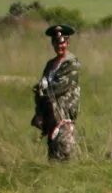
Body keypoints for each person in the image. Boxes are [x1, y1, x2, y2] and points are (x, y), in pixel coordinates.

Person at [32, 22, 80, 161]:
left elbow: (57, 88)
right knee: (52, 157)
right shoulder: (50, 64)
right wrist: (39, 113)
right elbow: (40, 91)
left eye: (62, 43)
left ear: (68, 42)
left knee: (65, 154)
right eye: (56, 43)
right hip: (50, 116)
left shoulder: (72, 63)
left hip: (64, 116)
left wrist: (41, 89)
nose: (60, 46)